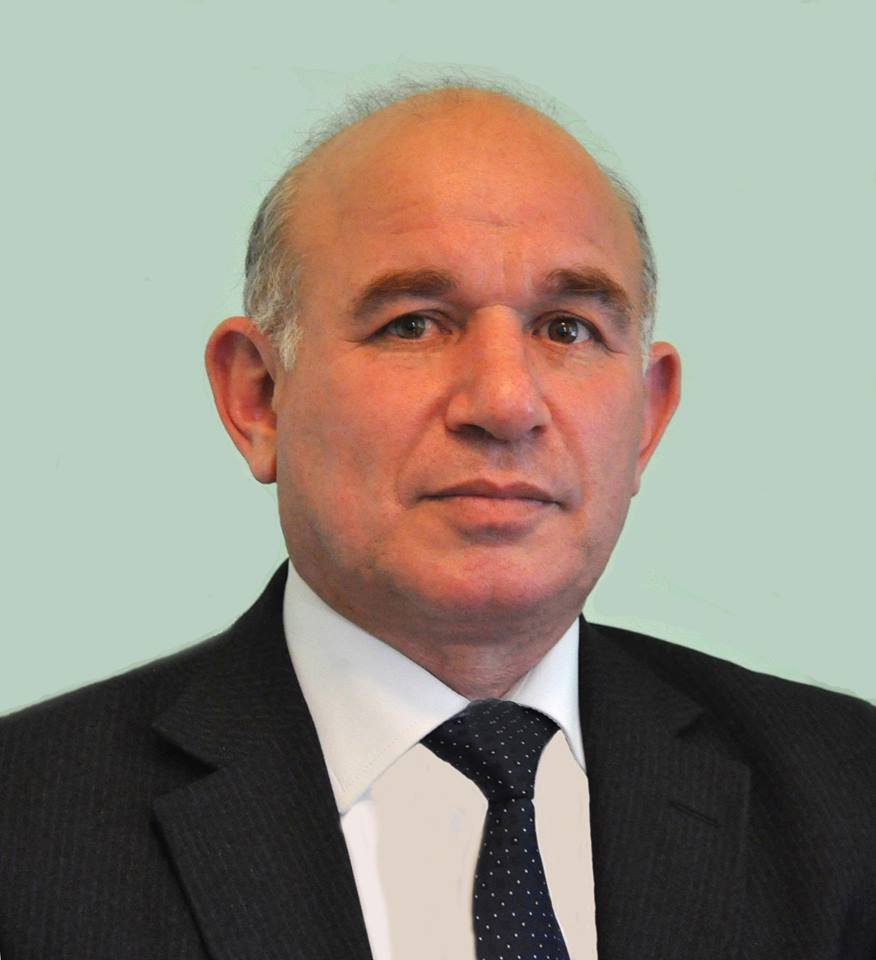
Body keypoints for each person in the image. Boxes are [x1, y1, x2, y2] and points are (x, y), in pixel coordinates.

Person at [0, 82, 873, 960]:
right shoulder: (25, 829)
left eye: (567, 329)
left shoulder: (851, 798)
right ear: (258, 397)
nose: (505, 403)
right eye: (413, 324)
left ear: (647, 418)